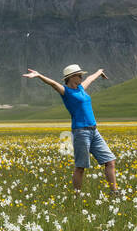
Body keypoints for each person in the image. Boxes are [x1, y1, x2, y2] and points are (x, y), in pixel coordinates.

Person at [23, 64, 119, 193]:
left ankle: (114, 192)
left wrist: (99, 72)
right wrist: (39, 75)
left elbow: (90, 79)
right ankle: (77, 196)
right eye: (79, 75)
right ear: (71, 77)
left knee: (110, 161)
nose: (81, 77)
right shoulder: (66, 91)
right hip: (81, 132)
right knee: (80, 167)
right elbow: (52, 83)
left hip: (94, 131)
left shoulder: (81, 89)